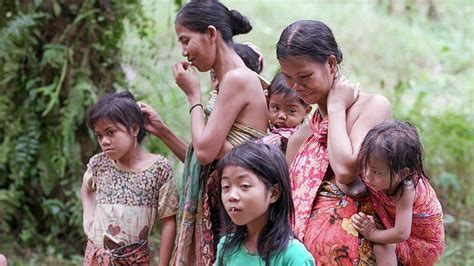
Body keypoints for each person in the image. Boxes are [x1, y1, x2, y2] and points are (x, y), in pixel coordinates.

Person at [142, 1, 269, 265]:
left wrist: (193, 95)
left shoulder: (237, 79)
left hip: (236, 207)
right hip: (224, 204)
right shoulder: (226, 83)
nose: (184, 51)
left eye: (186, 40)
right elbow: (207, 156)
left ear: (211, 33)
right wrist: (162, 131)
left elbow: (203, 152)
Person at [276, 20, 392, 264]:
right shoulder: (305, 130)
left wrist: (336, 107)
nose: (296, 87)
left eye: (304, 76)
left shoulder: (373, 107)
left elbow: (346, 170)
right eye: (288, 78)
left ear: (330, 64)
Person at [81, 92, 178, 265]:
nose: (104, 141)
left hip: (134, 260)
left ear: (134, 129)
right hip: (96, 257)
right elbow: (86, 187)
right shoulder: (99, 163)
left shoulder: (158, 169)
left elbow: (168, 221)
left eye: (110, 132)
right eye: (99, 135)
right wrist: (87, 216)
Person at [352, 121, 445, 265]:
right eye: (366, 166)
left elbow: (401, 233)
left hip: (420, 244)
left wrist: (372, 233)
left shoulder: (407, 189)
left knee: (382, 246)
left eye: (376, 172)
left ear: (403, 173)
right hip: (402, 231)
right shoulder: (379, 176)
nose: (368, 175)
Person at [214, 142, 315, 266]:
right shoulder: (226, 248)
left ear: (274, 193)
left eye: (244, 186)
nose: (231, 196)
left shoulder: (294, 256)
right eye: (226, 187)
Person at [258, 72, 311, 152]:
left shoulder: (294, 135)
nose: (281, 116)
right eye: (276, 108)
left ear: (306, 111)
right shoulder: (265, 120)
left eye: (291, 111)